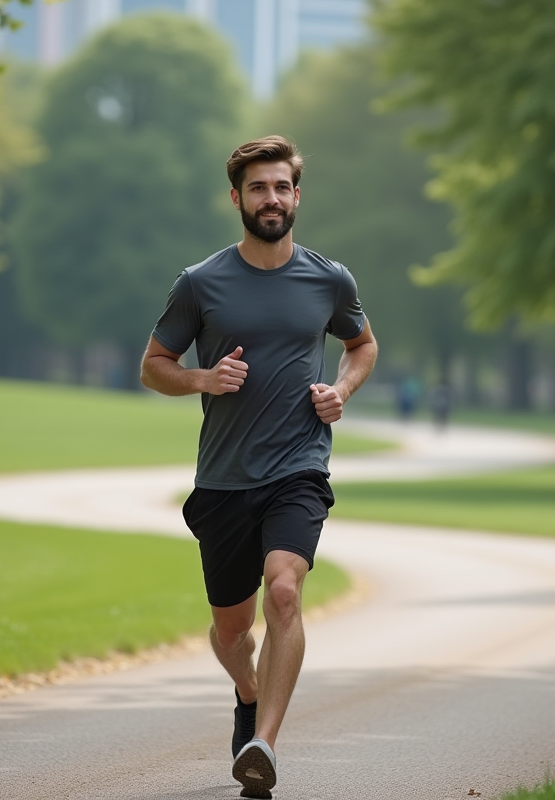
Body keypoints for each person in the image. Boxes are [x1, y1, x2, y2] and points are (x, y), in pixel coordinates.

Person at [140, 135, 377, 798]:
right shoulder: (201, 283)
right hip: (222, 480)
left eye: (280, 187)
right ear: (237, 198)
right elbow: (152, 366)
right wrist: (202, 380)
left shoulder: (329, 279)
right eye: (257, 188)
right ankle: (248, 692)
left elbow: (362, 345)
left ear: (296, 196)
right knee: (232, 630)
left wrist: (343, 391)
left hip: (298, 468)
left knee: (284, 591)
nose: (270, 199)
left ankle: (263, 744)